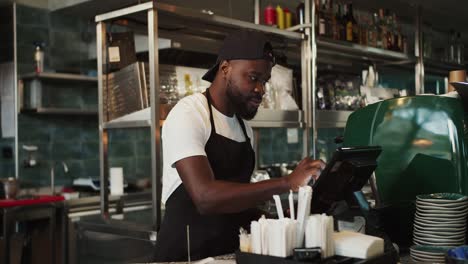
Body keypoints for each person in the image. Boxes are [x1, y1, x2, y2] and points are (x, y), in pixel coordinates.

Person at [154, 29, 325, 261]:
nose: (261, 89)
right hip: (185, 256)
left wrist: (275, 221)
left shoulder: (244, 129)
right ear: (225, 68)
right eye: (253, 78)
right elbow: (205, 197)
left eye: (264, 81)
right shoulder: (190, 112)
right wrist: (286, 182)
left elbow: (235, 204)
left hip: (227, 255)